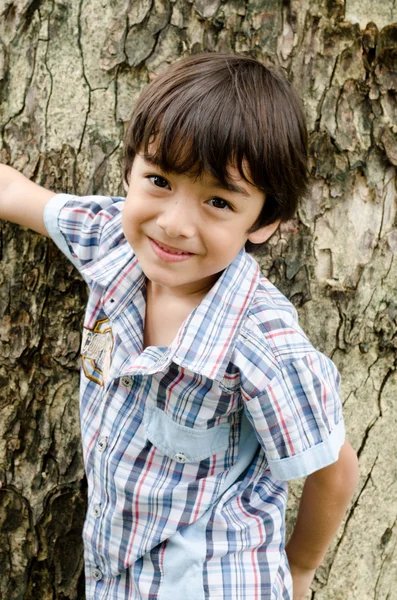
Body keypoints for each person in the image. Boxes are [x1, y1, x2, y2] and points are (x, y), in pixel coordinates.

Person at [0, 53, 358, 600]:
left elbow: (332, 468)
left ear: (263, 222)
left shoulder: (262, 341)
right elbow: (24, 198)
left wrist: (301, 568)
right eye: (160, 180)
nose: (174, 223)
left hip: (213, 581)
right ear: (131, 171)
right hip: (117, 573)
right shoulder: (112, 242)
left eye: (217, 200)